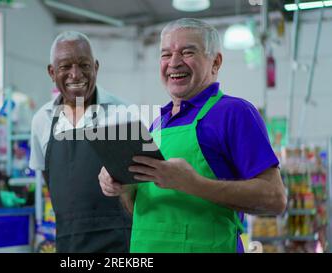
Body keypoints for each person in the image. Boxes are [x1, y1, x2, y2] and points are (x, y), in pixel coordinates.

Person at [98, 18, 287, 253]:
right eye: (165, 55)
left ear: (215, 62)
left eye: (187, 52)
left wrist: (194, 184)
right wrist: (124, 188)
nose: (174, 63)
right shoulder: (156, 125)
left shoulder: (234, 112)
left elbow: (274, 198)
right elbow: (146, 212)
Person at [29, 31, 131, 253]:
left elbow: (139, 189)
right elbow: (53, 183)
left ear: (96, 67)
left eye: (84, 65)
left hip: (118, 243)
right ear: (52, 72)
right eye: (65, 66)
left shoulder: (122, 114)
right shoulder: (41, 120)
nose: (76, 74)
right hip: (68, 242)